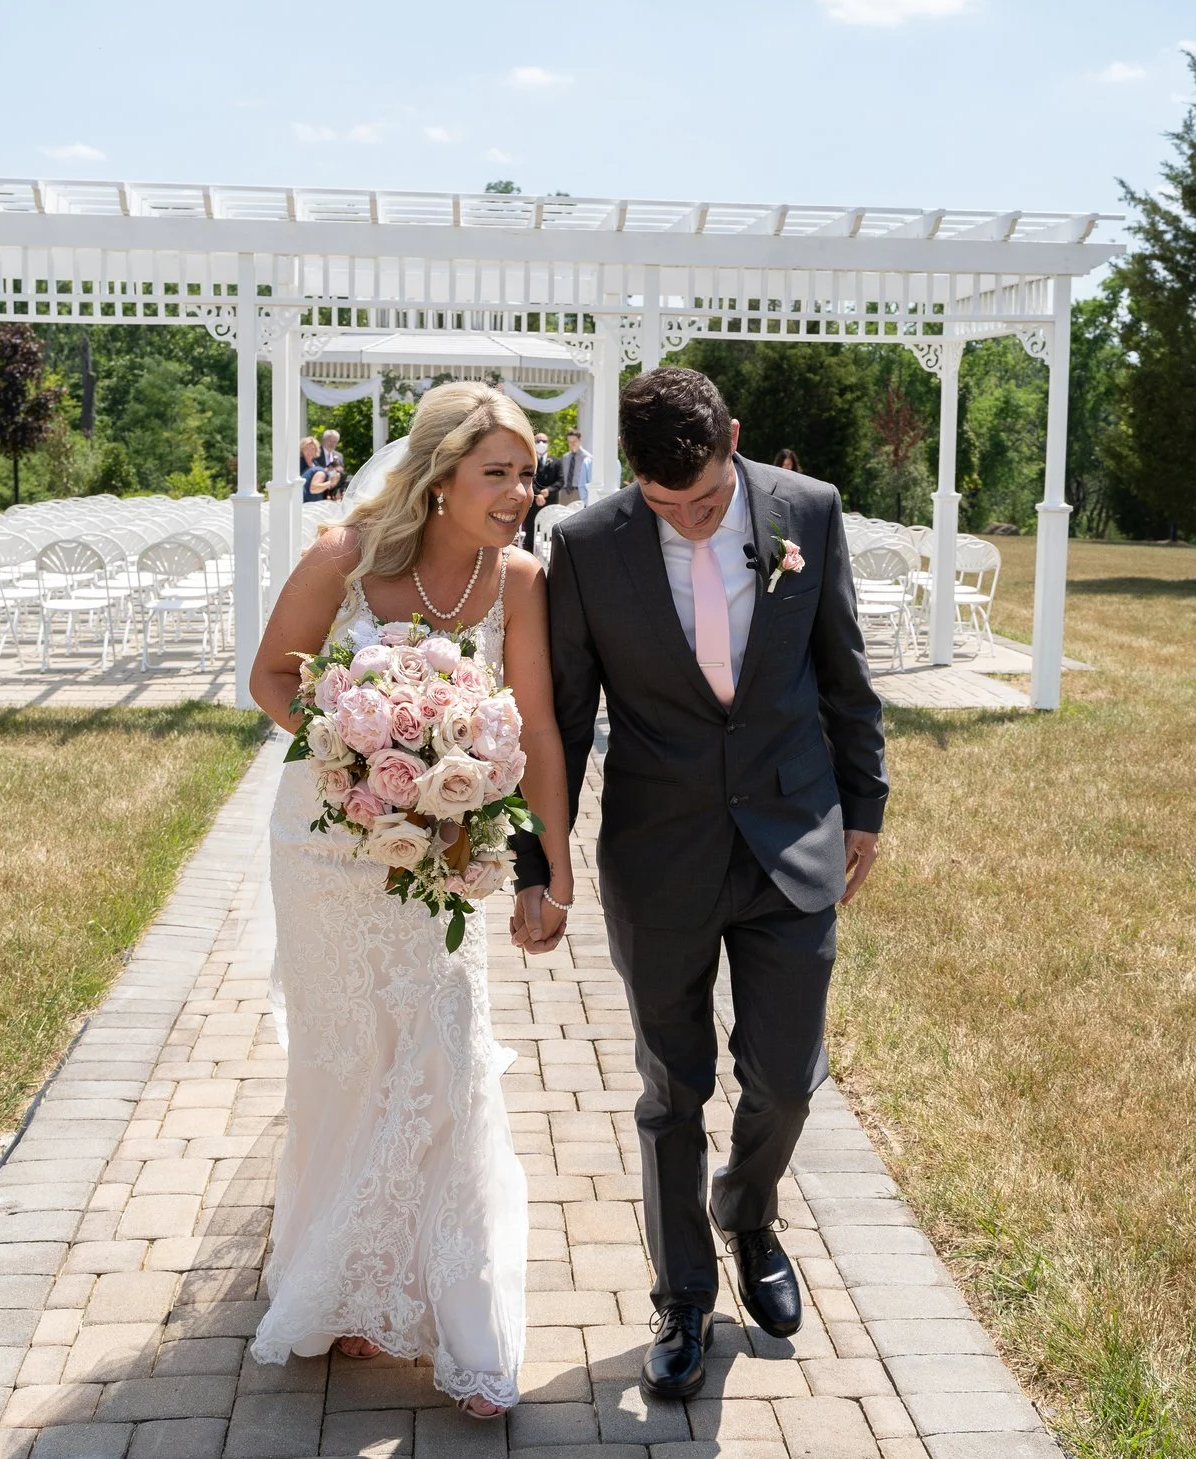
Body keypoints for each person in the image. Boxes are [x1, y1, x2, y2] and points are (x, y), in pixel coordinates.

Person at [510, 366, 888, 1400]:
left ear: (735, 438)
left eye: (708, 500)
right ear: (633, 475)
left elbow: (843, 671)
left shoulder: (807, 510)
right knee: (672, 1086)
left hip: (792, 835)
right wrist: (538, 862)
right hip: (657, 852)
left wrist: (866, 804)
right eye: (664, 504)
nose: (686, 522)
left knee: (784, 1072)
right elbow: (563, 721)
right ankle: (682, 1294)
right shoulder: (584, 546)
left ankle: (749, 1212)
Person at [246, 383, 578, 1420]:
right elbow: (270, 674)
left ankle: (469, 1331)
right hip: (323, 848)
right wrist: (352, 744)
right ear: (438, 479)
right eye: (499, 473)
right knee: (345, 1058)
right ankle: (344, 1276)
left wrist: (552, 868)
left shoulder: (518, 579)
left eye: (528, 474)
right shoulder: (343, 557)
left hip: (437, 851)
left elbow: (541, 732)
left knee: (443, 1045)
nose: (521, 492)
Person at [297, 435, 340, 503]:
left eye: (312, 449)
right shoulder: (297, 464)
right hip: (302, 500)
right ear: (302, 450)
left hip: (316, 500)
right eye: (307, 448)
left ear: (316, 450)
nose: (310, 451)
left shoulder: (316, 463)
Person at [554, 429, 591, 505]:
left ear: (580, 440)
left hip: (579, 492)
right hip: (565, 492)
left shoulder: (588, 458)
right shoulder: (565, 457)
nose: (572, 443)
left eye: (574, 441)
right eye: (569, 441)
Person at [318, 428, 348, 501]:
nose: (332, 444)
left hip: (334, 495)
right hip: (318, 492)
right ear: (324, 440)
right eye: (330, 440)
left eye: (335, 441)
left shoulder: (339, 455)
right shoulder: (316, 453)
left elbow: (342, 474)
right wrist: (327, 470)